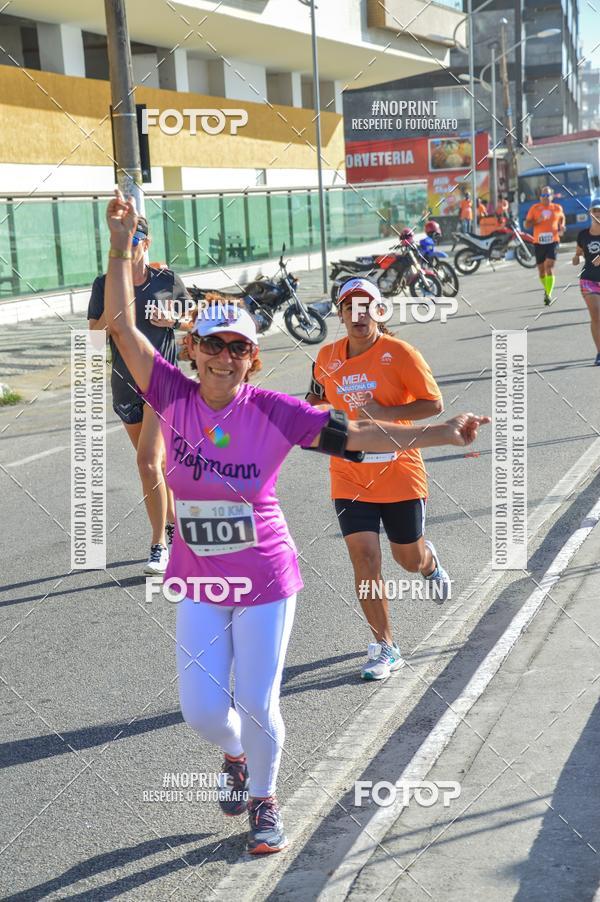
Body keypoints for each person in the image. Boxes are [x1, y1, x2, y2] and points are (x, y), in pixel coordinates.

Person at [103, 190, 489, 854]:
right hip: (200, 582)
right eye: (213, 344)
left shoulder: (275, 411)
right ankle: (234, 756)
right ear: (193, 349)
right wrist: (119, 247)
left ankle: (264, 799)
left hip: (264, 580)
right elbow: (119, 323)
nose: (224, 356)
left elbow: (359, 435)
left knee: (258, 702)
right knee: (203, 710)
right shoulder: (170, 393)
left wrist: (441, 431)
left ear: (252, 358)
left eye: (238, 348)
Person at [305, 277, 451, 681]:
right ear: (340, 315)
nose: (358, 314)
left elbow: (433, 404)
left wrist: (384, 414)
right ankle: (385, 646)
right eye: (349, 307)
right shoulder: (326, 357)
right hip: (349, 475)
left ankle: (428, 562)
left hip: (400, 472)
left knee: (407, 559)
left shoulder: (400, 353)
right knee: (365, 557)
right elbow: (315, 399)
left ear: (379, 311)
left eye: (365, 306)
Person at [88, 214, 190, 575]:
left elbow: (193, 319)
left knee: (147, 463)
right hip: (124, 385)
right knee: (157, 466)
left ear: (146, 244)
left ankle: (158, 545)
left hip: (162, 385)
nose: (128, 248)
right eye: (122, 242)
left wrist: (173, 319)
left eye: (134, 242)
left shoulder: (167, 280)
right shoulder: (104, 284)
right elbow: (92, 338)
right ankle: (177, 526)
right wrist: (115, 310)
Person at [524, 186, 565, 306]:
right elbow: (527, 225)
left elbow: (562, 218)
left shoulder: (557, 208)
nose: (545, 197)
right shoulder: (534, 208)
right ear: (540, 197)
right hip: (539, 242)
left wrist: (562, 226)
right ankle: (547, 289)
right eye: (543, 195)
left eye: (547, 195)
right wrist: (538, 220)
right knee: (542, 271)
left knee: (549, 266)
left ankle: (549, 294)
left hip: (553, 241)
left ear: (552, 196)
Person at [572, 203, 600, 365]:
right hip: (589, 280)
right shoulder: (583, 235)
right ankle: (599, 352)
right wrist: (576, 258)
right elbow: (578, 253)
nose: (598, 213)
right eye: (595, 210)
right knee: (596, 315)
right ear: (590, 213)